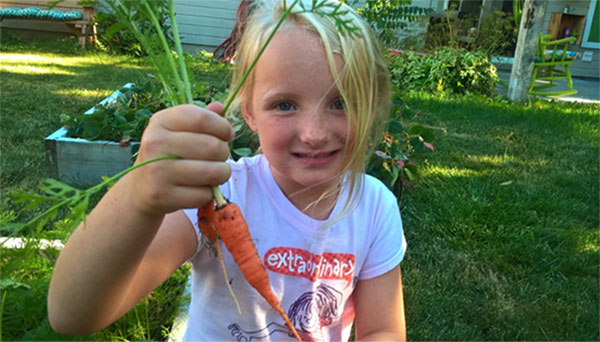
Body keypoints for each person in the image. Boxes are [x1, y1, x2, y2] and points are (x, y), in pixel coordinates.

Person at [47, 0, 407, 340]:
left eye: (340, 102)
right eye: (284, 105)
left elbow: (383, 330)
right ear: (248, 110)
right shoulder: (219, 193)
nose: (314, 134)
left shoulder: (374, 208)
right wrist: (138, 196)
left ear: (371, 107)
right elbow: (73, 315)